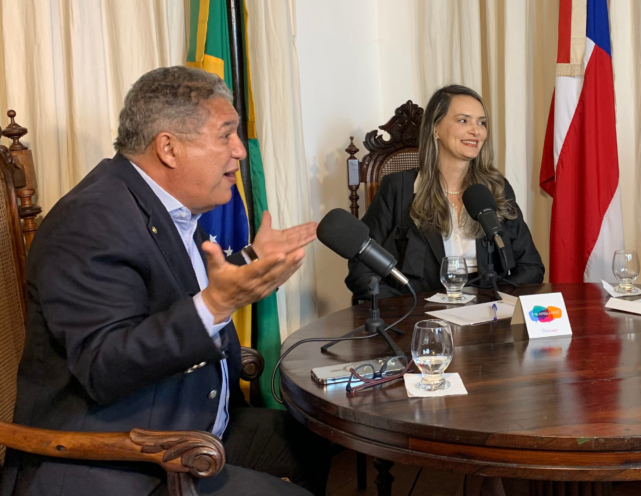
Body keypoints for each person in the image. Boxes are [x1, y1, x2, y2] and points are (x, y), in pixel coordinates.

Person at [1, 67, 335, 496]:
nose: (240, 151)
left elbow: (168, 285)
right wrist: (216, 306)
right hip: (122, 459)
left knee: (318, 441)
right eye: (226, 135)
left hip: (193, 419)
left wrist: (251, 259)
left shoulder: (164, 204)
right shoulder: (89, 221)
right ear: (169, 148)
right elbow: (104, 366)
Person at [346, 84, 545, 302]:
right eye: (463, 120)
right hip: (419, 311)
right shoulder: (398, 188)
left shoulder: (497, 188)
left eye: (481, 122)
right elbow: (362, 268)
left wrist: (493, 300)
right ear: (435, 129)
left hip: (487, 309)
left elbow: (531, 266)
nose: (476, 131)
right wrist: (402, 309)